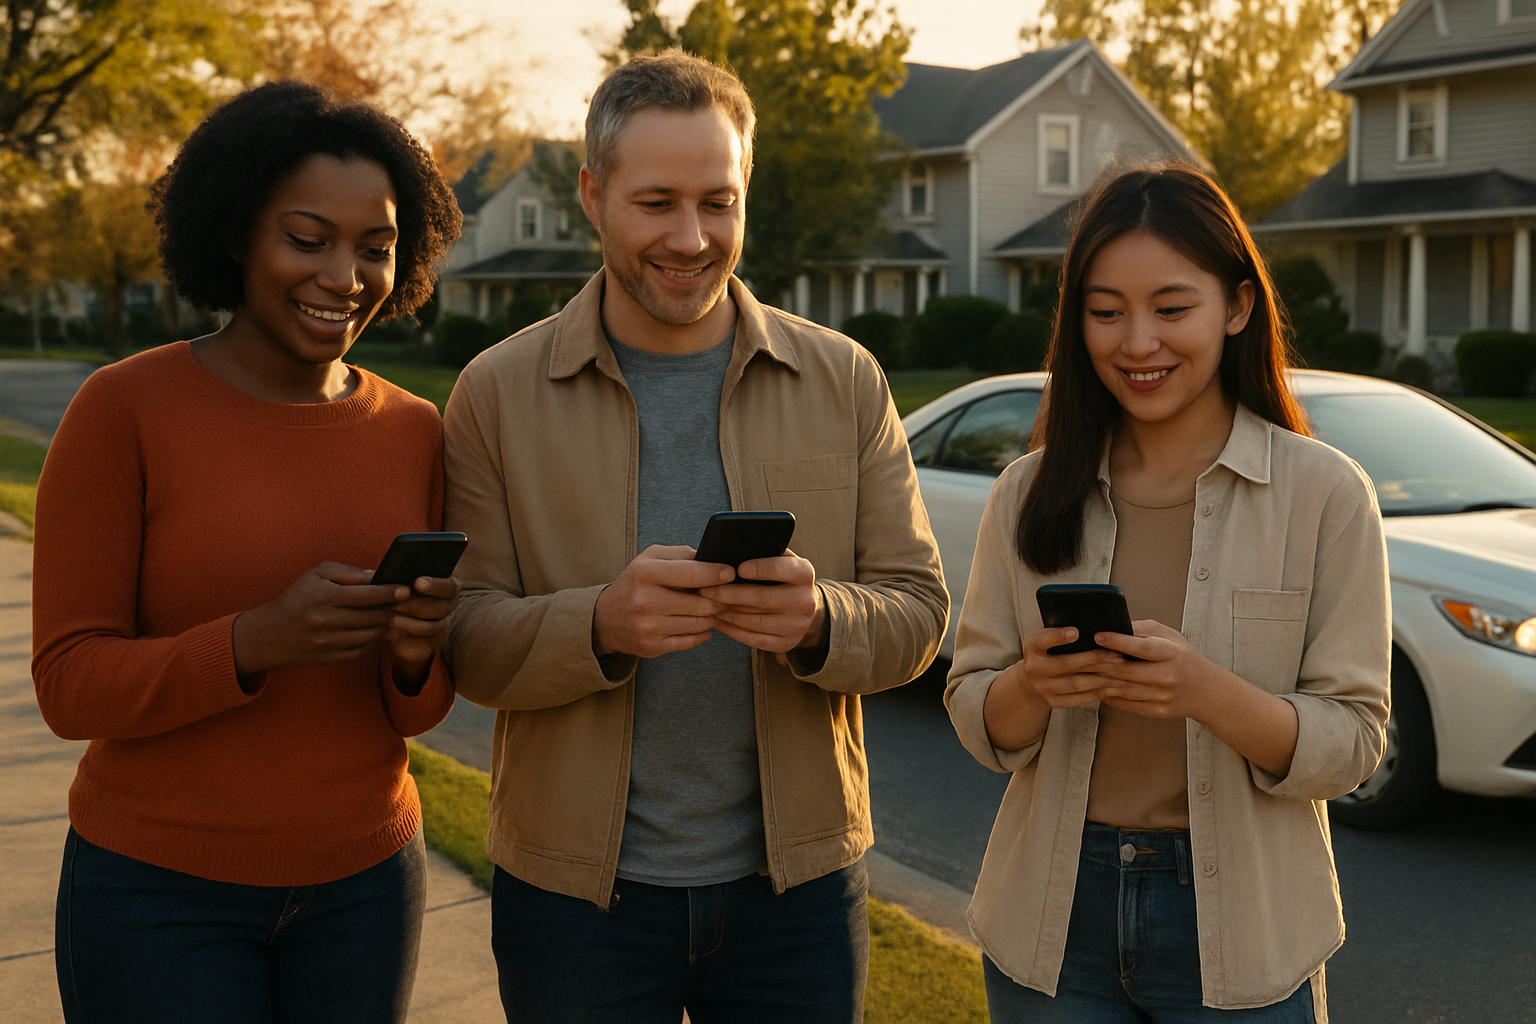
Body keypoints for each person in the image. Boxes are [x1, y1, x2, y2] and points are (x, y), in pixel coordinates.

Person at [443, 49, 948, 1024]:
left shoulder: (845, 381)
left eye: (719, 201)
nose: (691, 236)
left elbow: (920, 611)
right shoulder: (495, 393)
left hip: (796, 895)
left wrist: (819, 620)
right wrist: (597, 624)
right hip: (574, 901)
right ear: (591, 194)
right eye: (656, 202)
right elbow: (462, 641)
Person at [32, 80, 463, 1024]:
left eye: (376, 248)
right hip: (156, 895)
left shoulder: (416, 430)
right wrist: (254, 642)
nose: (344, 275)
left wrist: (415, 647)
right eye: (306, 239)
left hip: (366, 889)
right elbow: (68, 684)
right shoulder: (123, 411)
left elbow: (420, 709)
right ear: (234, 234)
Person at [945, 164, 1391, 1023]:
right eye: (1105, 311)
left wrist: (1206, 693)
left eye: (1171, 308)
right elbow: (975, 713)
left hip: (1245, 929)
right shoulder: (1027, 492)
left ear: (1237, 307)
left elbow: (1355, 742)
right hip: (1050, 915)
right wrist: (1033, 686)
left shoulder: (1325, 494)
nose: (1137, 341)